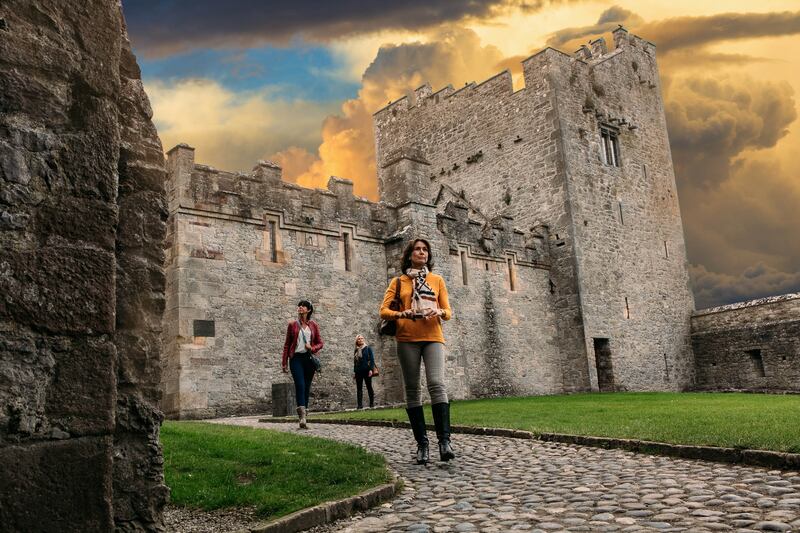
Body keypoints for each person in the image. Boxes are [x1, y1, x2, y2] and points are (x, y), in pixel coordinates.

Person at [380, 238, 455, 464]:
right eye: (417, 249)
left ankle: (445, 442)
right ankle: (422, 445)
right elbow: (383, 311)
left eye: (425, 250)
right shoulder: (399, 282)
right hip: (407, 338)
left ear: (428, 255)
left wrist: (439, 312)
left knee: (437, 384)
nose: (421, 252)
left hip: (433, 336)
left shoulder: (437, 280)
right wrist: (401, 315)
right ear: (410, 255)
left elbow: (449, 312)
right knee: (412, 390)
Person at [282, 300, 323, 429]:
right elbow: (287, 345)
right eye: (299, 306)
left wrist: (312, 347)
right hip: (296, 359)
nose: (300, 307)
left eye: (303, 306)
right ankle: (302, 417)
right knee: (300, 385)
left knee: (306, 386)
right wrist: (284, 363)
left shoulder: (313, 325)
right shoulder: (292, 325)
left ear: (308, 310)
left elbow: (320, 343)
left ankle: (305, 413)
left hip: (309, 359)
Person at [353, 334, 376, 409]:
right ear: (357, 341)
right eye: (359, 339)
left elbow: (372, 360)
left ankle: (371, 404)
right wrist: (355, 371)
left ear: (364, 339)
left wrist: (371, 370)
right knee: (359, 388)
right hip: (358, 372)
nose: (360, 340)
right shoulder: (356, 349)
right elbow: (355, 362)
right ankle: (360, 405)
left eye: (362, 338)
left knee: (369, 387)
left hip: (367, 371)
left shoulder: (368, 348)